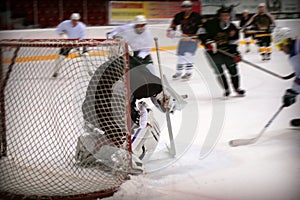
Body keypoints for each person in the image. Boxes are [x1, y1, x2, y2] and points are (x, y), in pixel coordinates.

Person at [198, 6, 245, 97]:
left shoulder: (232, 28)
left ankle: (237, 88)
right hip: (213, 53)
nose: (225, 17)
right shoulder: (210, 24)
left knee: (233, 70)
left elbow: (234, 43)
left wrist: (235, 53)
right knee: (219, 72)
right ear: (219, 16)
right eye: (223, 15)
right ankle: (226, 89)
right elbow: (201, 33)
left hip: (227, 52)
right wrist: (208, 42)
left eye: (227, 15)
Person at [166, 0, 204, 80]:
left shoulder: (197, 16)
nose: (186, 9)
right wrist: (171, 30)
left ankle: (188, 72)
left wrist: (198, 34)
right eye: (184, 7)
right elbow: (174, 24)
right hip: (184, 38)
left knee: (189, 55)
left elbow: (202, 26)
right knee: (180, 55)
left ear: (191, 7)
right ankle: (179, 72)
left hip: (194, 38)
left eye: (188, 7)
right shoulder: (179, 16)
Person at [274, 27, 300, 127]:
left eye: (281, 45)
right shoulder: (296, 46)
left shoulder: (296, 55)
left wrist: (293, 92)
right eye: (277, 46)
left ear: (288, 42)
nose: (280, 49)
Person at [53, 13, 87, 78]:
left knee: (86, 56)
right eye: (73, 20)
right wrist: (62, 34)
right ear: (71, 19)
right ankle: (56, 72)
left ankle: (89, 72)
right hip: (67, 43)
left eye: (76, 20)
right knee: (60, 58)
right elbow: (58, 30)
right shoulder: (65, 23)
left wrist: (78, 44)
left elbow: (83, 37)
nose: (75, 22)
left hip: (78, 42)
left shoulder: (82, 26)